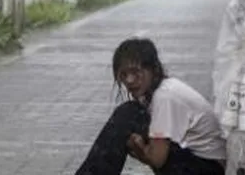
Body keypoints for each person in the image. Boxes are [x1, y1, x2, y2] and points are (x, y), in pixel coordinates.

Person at [75, 38, 225, 175]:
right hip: (200, 164)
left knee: (127, 115)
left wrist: (139, 149)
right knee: (130, 115)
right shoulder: (159, 92)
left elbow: (157, 159)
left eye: (136, 72)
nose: (129, 80)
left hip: (206, 169)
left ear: (153, 69)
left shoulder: (164, 96)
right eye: (123, 75)